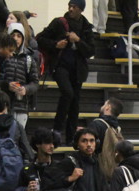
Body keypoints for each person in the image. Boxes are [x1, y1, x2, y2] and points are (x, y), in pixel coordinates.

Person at [37, 0, 95, 145]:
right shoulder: (59, 23)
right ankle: (57, 130)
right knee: (68, 93)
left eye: (74, 7)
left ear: (81, 9)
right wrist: (55, 45)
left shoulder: (87, 27)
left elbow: (91, 51)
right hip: (60, 66)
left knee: (75, 102)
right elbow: (40, 39)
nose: (71, 9)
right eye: (70, 6)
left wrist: (78, 40)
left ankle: (71, 137)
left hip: (78, 70)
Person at [3, 23, 39, 127]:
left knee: (18, 133)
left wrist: (25, 89)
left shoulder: (29, 59)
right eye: (13, 35)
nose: (16, 39)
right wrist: (7, 85)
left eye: (19, 36)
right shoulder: (3, 57)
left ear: (23, 39)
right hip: (3, 104)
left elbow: (35, 83)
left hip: (21, 105)